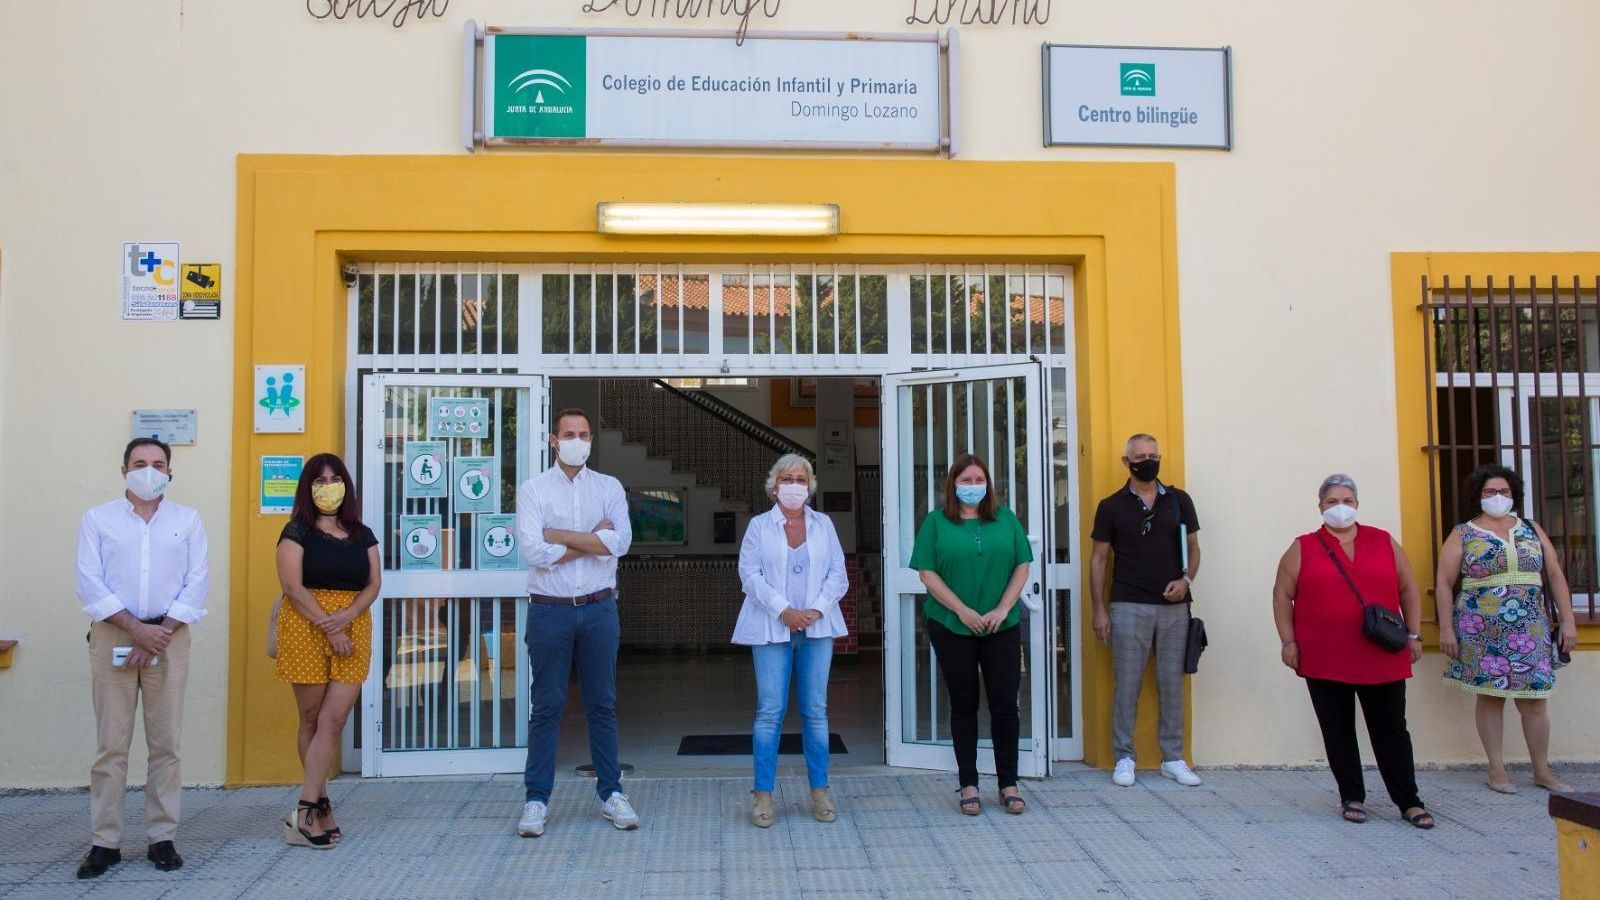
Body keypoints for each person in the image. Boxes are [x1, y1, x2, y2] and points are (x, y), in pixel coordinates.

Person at [74, 438, 208, 878]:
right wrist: (136, 629)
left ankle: (162, 838)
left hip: (169, 637)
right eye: (139, 463)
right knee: (111, 745)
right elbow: (90, 583)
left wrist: (158, 633)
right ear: (123, 470)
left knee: (165, 743)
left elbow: (197, 582)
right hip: (115, 632)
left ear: (170, 471)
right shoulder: (98, 519)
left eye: (157, 464)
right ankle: (105, 842)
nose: (148, 470)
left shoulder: (187, 521)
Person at [1271, 474, 1433, 828]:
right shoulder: (1303, 546)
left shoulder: (1383, 541)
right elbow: (1282, 594)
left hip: (1381, 653)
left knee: (1391, 729)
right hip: (1324, 656)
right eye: (1332, 501)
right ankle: (1352, 796)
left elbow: (1408, 589)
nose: (1340, 507)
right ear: (1320, 507)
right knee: (1338, 730)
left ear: (1357, 504)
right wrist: (1288, 641)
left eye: (1347, 500)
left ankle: (1409, 800)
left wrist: (1415, 635)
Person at [514, 408, 637, 837]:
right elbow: (534, 553)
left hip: (600, 608)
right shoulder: (533, 490)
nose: (577, 441)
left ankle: (611, 793)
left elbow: (619, 542)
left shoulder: (608, 487)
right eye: (569, 434)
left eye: (584, 434)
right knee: (546, 706)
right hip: (550, 610)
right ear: (553, 440)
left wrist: (560, 535)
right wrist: (590, 538)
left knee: (601, 704)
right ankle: (536, 800)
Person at [1434, 464, 1579, 794]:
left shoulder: (1530, 528)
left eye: (1503, 492)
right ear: (1478, 495)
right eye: (1489, 492)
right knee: (1491, 695)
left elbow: (1555, 576)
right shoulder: (1464, 533)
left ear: (1513, 495)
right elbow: (1444, 582)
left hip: (1530, 627)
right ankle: (1497, 770)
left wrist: (1568, 620)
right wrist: (1446, 629)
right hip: (1481, 626)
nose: (1497, 497)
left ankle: (1542, 770)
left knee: (1536, 699)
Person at [910, 453, 1034, 815]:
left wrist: (1001, 608)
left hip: (1001, 625)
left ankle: (1008, 783)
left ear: (989, 485)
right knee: (963, 705)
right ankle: (968, 784)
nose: (973, 487)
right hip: (952, 625)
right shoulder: (935, 522)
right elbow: (927, 573)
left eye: (979, 480)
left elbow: (1022, 566)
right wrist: (962, 610)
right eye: (966, 481)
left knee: (1004, 704)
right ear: (953, 485)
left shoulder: (1006, 519)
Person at [733, 454, 850, 827]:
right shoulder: (758, 526)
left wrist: (813, 611)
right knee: (770, 712)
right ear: (774, 485)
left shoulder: (824, 525)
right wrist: (785, 611)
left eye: (801, 479)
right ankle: (763, 794)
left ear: (810, 485)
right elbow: (749, 575)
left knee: (816, 711)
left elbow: (837, 574)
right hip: (771, 629)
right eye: (787, 478)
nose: (794, 485)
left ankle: (820, 791)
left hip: (817, 630)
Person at [274, 453, 380, 848]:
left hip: (353, 629)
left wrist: (347, 616)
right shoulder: (295, 531)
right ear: (308, 487)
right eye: (320, 480)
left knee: (333, 722)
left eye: (335, 479)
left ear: (346, 487)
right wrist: (329, 626)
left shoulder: (361, 533)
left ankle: (305, 810)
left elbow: (373, 582)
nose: (328, 486)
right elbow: (292, 587)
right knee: (312, 718)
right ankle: (315, 808)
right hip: (306, 627)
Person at [1090, 433, 1203, 788]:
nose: (1148, 460)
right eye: (1140, 456)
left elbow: (1194, 547)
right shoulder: (1111, 506)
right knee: (1127, 685)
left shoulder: (1179, 501)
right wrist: (1099, 610)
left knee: (1171, 684)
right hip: (1127, 604)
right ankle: (1124, 757)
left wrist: (1186, 581)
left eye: (1153, 454)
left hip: (1174, 608)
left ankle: (1173, 758)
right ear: (1127, 462)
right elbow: (1098, 560)